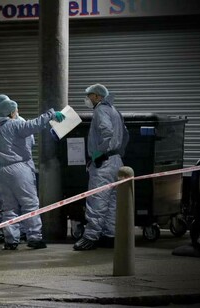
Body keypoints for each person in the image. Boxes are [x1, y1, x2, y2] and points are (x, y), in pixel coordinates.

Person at [0, 99, 65, 250]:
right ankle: (34, 237)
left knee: (9, 207)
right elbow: (34, 125)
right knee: (30, 203)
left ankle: (11, 240)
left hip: (1, 170)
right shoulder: (15, 124)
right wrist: (50, 114)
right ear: (12, 112)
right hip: (19, 168)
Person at [73, 83, 129, 251]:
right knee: (112, 201)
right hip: (116, 161)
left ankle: (90, 237)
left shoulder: (100, 110)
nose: (87, 99)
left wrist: (99, 154)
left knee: (97, 200)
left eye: (89, 96)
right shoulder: (114, 110)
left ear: (97, 96)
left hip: (104, 162)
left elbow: (107, 132)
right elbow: (125, 134)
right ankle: (110, 235)